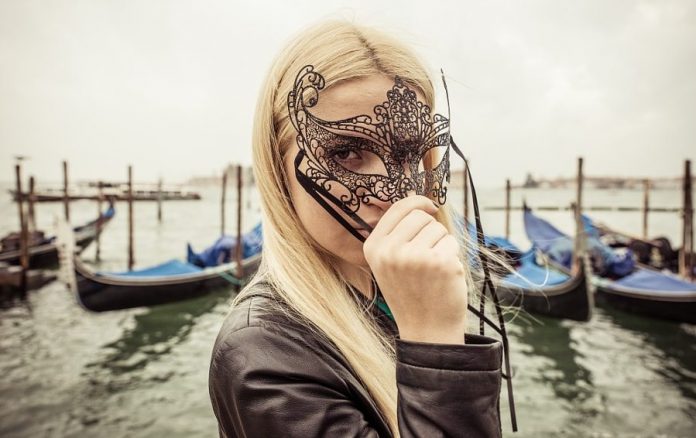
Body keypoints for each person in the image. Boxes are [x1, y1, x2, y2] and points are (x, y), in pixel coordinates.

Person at [209, 20, 511, 437]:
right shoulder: (262, 357)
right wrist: (435, 344)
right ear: (278, 168)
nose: (394, 192)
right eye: (347, 152)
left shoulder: (394, 295)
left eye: (411, 156)